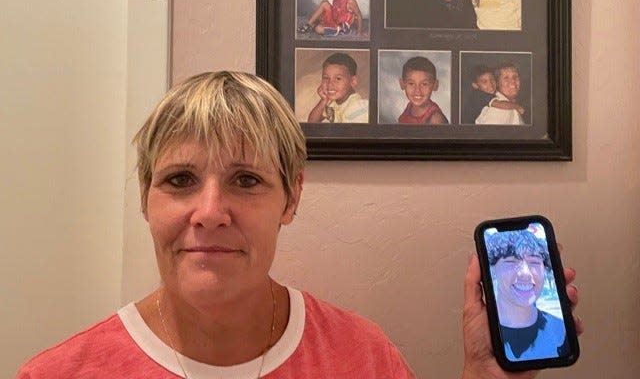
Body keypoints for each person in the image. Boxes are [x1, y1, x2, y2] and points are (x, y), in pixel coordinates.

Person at [16, 71, 581, 378]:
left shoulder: (364, 357)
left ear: (291, 199)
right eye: (180, 180)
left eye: (245, 180)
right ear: (145, 199)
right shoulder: (59, 374)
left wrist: (486, 375)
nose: (210, 212)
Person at [485, 229, 569, 361]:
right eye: (511, 262)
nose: (525, 273)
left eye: (534, 262)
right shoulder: (484, 332)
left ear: (545, 270)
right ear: (492, 270)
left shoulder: (561, 330)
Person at [307, 52, 368, 123]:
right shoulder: (333, 104)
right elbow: (312, 123)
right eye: (326, 78)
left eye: (338, 78)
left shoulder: (358, 107)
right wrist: (323, 100)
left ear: (353, 81)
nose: (330, 84)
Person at [398, 56, 448, 124]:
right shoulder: (409, 108)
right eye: (411, 83)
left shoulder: (435, 119)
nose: (417, 91)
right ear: (402, 84)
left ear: (435, 85)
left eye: (424, 84)